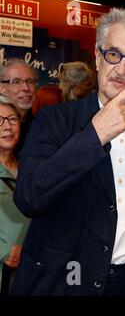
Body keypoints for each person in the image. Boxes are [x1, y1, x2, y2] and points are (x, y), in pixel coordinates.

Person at [11, 8, 125, 296]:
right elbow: (29, 197)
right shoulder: (53, 121)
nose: (122, 69)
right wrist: (94, 136)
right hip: (65, 282)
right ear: (97, 58)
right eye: (113, 54)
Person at [0, 99, 30, 295]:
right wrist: (3, 253)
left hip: (28, 274)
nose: (7, 126)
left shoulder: (31, 167)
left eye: (12, 119)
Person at [0, 58, 38, 150]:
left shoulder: (41, 125)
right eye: (16, 82)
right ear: (2, 88)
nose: (25, 88)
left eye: (30, 81)